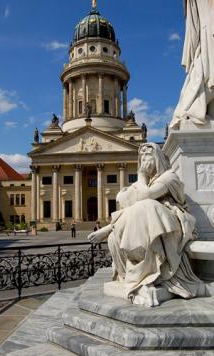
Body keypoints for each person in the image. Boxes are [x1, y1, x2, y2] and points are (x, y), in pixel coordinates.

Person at [88, 143, 205, 307]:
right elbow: (126, 203)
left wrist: (141, 175)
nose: (144, 161)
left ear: (157, 158)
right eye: (141, 157)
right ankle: (137, 270)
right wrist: (111, 227)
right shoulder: (147, 182)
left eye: (148, 156)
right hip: (154, 220)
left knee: (147, 206)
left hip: (173, 224)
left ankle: (146, 275)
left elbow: (146, 196)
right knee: (140, 211)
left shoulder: (169, 176)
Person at [170, 0, 214, 129]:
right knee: (206, 74)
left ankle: (190, 108)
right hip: (208, 33)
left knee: (204, 74)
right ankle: (191, 108)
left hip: (207, 33)